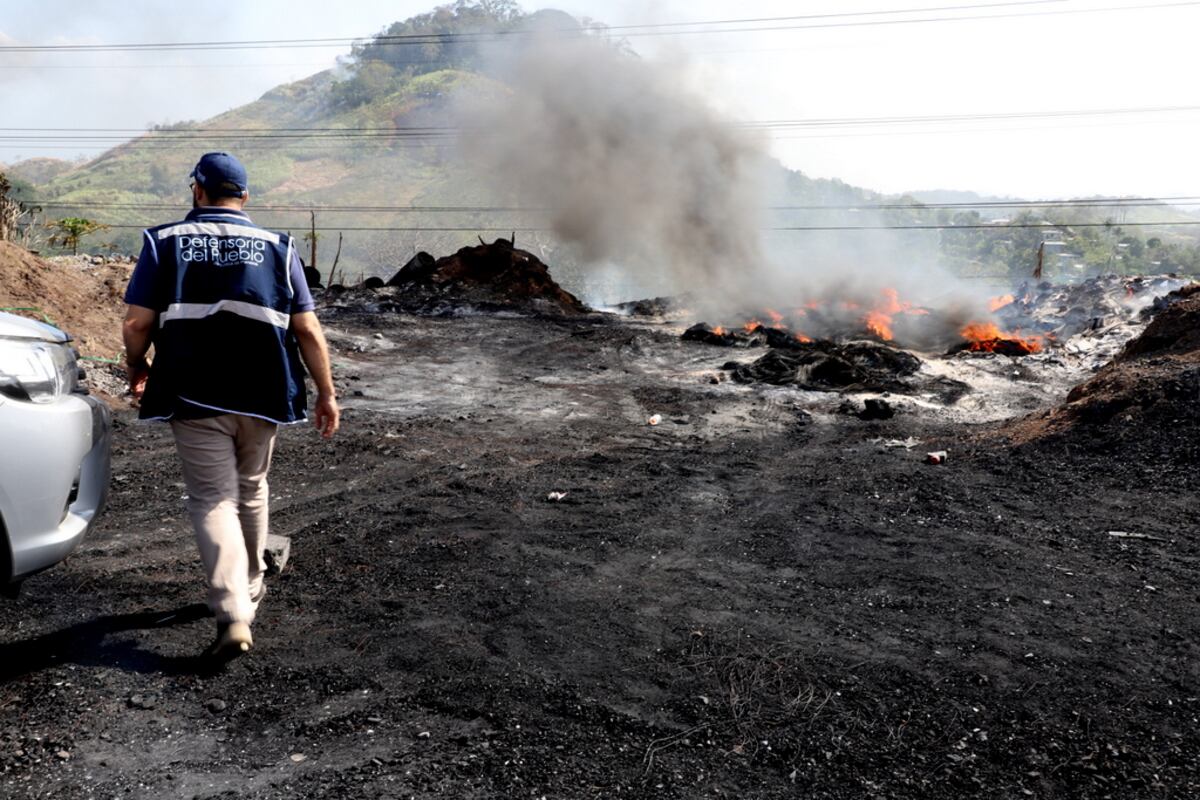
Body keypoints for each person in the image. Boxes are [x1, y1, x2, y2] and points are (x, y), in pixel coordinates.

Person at [121, 151, 339, 660]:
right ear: (245, 197)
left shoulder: (164, 241)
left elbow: (136, 323)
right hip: (264, 391)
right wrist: (327, 393)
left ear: (196, 190)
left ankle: (233, 610)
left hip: (194, 391)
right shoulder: (279, 246)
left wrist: (136, 363)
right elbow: (307, 329)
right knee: (251, 487)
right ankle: (253, 585)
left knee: (212, 499)